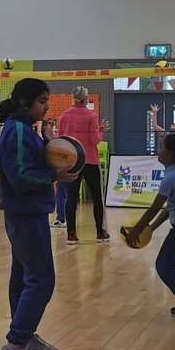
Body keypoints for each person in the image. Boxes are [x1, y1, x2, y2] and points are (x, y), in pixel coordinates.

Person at [0, 78, 79, 350]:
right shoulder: (16, 131)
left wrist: (47, 140)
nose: (46, 107)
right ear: (24, 102)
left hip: (30, 212)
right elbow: (19, 176)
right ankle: (15, 346)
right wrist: (55, 176)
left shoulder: (25, 129)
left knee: (23, 277)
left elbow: (33, 162)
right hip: (24, 213)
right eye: (42, 101)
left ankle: (24, 335)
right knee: (42, 279)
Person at [121, 133, 175, 318]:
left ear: (170, 154)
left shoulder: (171, 176)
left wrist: (135, 231)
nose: (158, 150)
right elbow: (169, 208)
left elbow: (154, 208)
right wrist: (150, 228)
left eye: (160, 147)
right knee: (170, 265)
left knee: (164, 266)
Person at [57, 86, 111, 245]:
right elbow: (95, 140)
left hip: (73, 162)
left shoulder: (64, 116)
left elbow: (60, 139)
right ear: (86, 99)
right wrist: (101, 131)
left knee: (71, 197)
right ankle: (100, 233)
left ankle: (71, 234)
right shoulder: (91, 115)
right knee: (97, 197)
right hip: (90, 162)